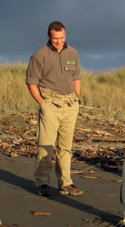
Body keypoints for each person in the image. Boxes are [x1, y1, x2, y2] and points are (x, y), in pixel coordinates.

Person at [26, 21, 83, 197]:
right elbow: (31, 82)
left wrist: (77, 100)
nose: (59, 41)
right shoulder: (39, 55)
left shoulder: (72, 52)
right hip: (50, 104)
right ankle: (42, 183)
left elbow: (76, 78)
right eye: (55, 38)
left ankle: (65, 183)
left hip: (70, 105)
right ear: (49, 36)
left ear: (65, 35)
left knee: (65, 147)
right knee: (46, 146)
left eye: (62, 38)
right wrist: (43, 104)